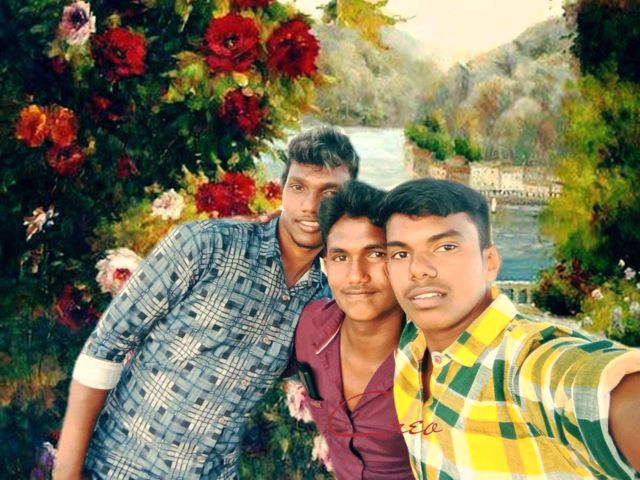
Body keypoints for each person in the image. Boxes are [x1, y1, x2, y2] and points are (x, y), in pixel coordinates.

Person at [53, 126, 359, 480]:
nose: (309, 206)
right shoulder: (207, 245)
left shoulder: (321, 301)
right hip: (121, 468)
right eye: (299, 187)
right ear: (284, 190)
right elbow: (105, 347)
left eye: (329, 193)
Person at [380, 178, 640, 479]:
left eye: (446, 247)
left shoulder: (524, 365)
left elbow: (587, 385)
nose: (418, 268)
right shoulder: (411, 344)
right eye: (400, 254)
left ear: (490, 262)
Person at [295, 181, 413, 479]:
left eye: (375, 254)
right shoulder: (310, 327)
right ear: (326, 264)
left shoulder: (436, 360)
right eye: (340, 257)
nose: (356, 276)